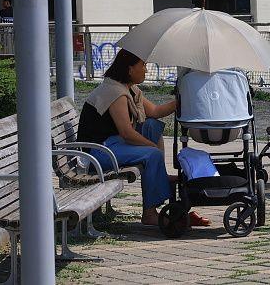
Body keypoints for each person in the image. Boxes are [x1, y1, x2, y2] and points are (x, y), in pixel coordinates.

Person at [77, 49, 211, 226]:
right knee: (152, 155)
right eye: (143, 65)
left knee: (152, 126)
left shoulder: (128, 88)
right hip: (98, 152)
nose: (146, 70)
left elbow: (154, 111)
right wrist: (151, 147)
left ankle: (159, 175)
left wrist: (183, 99)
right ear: (130, 69)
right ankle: (149, 213)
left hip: (111, 143)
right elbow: (126, 132)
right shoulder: (115, 93)